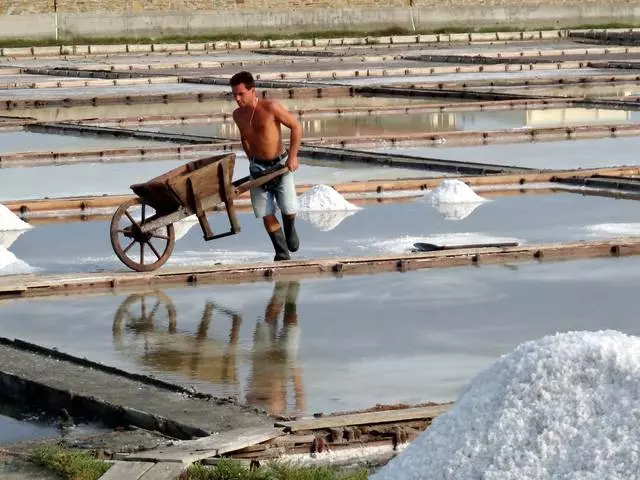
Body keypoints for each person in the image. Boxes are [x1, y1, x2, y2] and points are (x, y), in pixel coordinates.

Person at [230, 71, 302, 261]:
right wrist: (251, 158)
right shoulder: (237, 115)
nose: (237, 99)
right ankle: (281, 252)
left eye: (241, 94)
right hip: (257, 168)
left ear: (253, 91)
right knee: (265, 212)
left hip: (279, 164)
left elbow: (296, 126)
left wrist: (292, 157)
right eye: (234, 95)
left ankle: (290, 227)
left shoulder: (271, 108)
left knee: (288, 207)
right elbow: (244, 138)